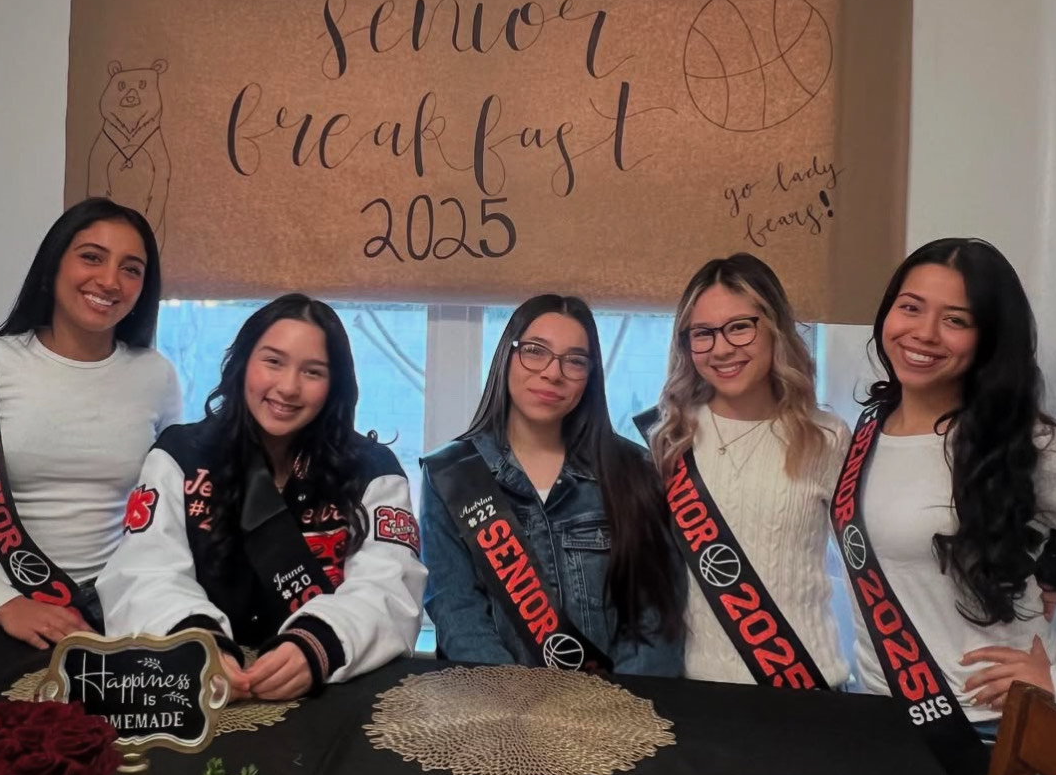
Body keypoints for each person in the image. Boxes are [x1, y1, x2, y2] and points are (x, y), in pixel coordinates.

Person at [98, 294, 427, 700]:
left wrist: (317, 646)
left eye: (313, 371)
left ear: (335, 385)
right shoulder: (180, 455)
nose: (288, 387)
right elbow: (143, 571)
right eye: (273, 361)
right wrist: (198, 643)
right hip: (202, 689)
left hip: (328, 696)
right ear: (242, 364)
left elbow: (391, 589)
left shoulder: (373, 470)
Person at [0, 197, 181, 649]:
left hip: (112, 617)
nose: (110, 280)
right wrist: (3, 603)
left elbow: (165, 511)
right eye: (91, 257)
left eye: (132, 269)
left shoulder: (157, 376)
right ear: (53, 265)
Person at [844, 238, 1056, 728]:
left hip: (989, 728)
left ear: (989, 338)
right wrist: (1053, 564)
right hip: (882, 717)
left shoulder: (1024, 441)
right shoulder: (868, 427)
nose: (924, 333)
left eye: (956, 320)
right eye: (910, 308)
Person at [420, 294, 683, 676]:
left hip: (615, 717)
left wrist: (621, 712)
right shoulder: (449, 475)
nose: (552, 373)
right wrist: (515, 715)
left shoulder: (635, 470)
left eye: (574, 360)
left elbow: (655, 620)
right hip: (497, 710)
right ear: (506, 357)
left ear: (591, 375)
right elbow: (458, 615)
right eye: (535, 351)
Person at [647, 253, 851, 688]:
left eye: (740, 326)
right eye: (702, 333)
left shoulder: (826, 437)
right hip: (699, 690)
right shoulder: (670, 437)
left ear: (774, 326)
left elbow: (873, 568)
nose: (721, 348)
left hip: (807, 686)